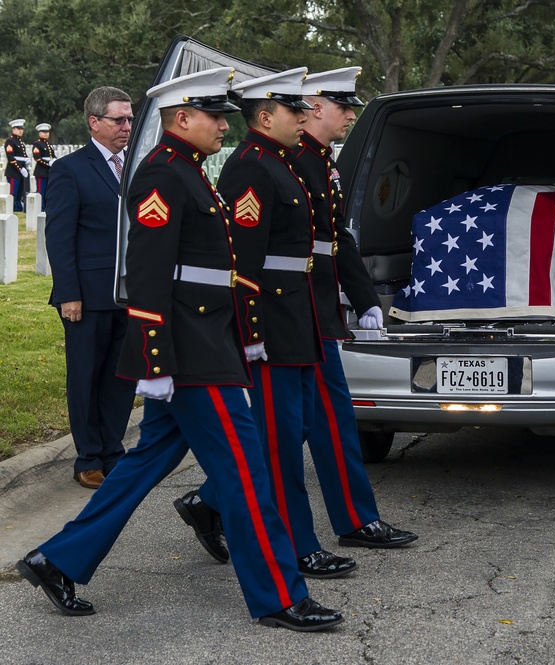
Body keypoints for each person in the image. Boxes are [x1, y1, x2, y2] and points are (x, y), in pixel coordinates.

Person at [16, 67, 343, 632]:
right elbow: (147, 278)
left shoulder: (187, 171)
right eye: (215, 115)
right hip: (189, 358)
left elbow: (216, 270)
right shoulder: (164, 177)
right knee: (246, 473)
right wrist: (157, 364)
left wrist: (250, 332)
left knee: (142, 465)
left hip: (205, 344)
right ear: (182, 118)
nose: (224, 125)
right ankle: (279, 596)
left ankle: (57, 560)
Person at [176, 68, 361, 579]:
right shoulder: (252, 166)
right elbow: (246, 264)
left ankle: (210, 503)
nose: (303, 116)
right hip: (273, 324)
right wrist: (251, 333)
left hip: (295, 316)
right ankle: (298, 546)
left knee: (293, 430)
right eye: (292, 109)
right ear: (264, 115)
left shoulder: (284, 162)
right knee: (278, 443)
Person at [291, 66, 417, 549]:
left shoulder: (322, 161)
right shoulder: (293, 161)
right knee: (312, 421)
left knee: (326, 419)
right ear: (315, 108)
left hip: (318, 311)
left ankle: (356, 519)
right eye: (343, 107)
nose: (349, 116)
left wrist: (365, 300)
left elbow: (337, 239)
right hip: (297, 313)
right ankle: (217, 500)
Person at [44, 87, 137, 489]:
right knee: (86, 376)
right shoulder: (70, 169)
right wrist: (69, 293)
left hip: (129, 294)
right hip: (86, 295)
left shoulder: (136, 165)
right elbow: (59, 238)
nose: (127, 127)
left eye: (130, 119)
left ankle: (113, 450)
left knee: (121, 377)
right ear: (94, 122)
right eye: (119, 120)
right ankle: (88, 458)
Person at [5, 118, 29, 212]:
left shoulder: (21, 142)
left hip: (20, 171)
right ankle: (14, 208)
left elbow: (23, 155)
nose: (20, 131)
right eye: (18, 129)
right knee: (13, 192)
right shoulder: (10, 142)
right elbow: (11, 158)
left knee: (20, 192)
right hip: (13, 172)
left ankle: (18, 208)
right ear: (13, 129)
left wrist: (27, 159)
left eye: (22, 129)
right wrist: (20, 169)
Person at [32, 122, 56, 208]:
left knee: (48, 192)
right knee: (41, 192)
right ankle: (40, 208)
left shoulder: (49, 144)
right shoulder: (37, 144)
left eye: (47, 132)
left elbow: (53, 156)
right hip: (41, 172)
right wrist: (48, 163)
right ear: (39, 133)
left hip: (49, 172)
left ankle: (46, 207)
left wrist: (54, 161)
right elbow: (37, 158)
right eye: (43, 132)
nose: (46, 134)